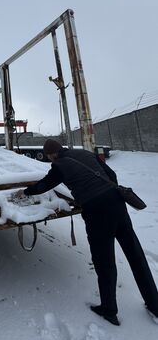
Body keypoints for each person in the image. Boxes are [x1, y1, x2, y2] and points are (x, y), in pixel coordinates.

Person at [20, 138, 158, 326]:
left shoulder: (59, 165)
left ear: (51, 155)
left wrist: (25, 192)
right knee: (135, 254)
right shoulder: (85, 153)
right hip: (117, 205)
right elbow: (111, 174)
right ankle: (154, 304)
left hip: (97, 213)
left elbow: (44, 185)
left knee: (104, 261)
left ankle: (109, 310)